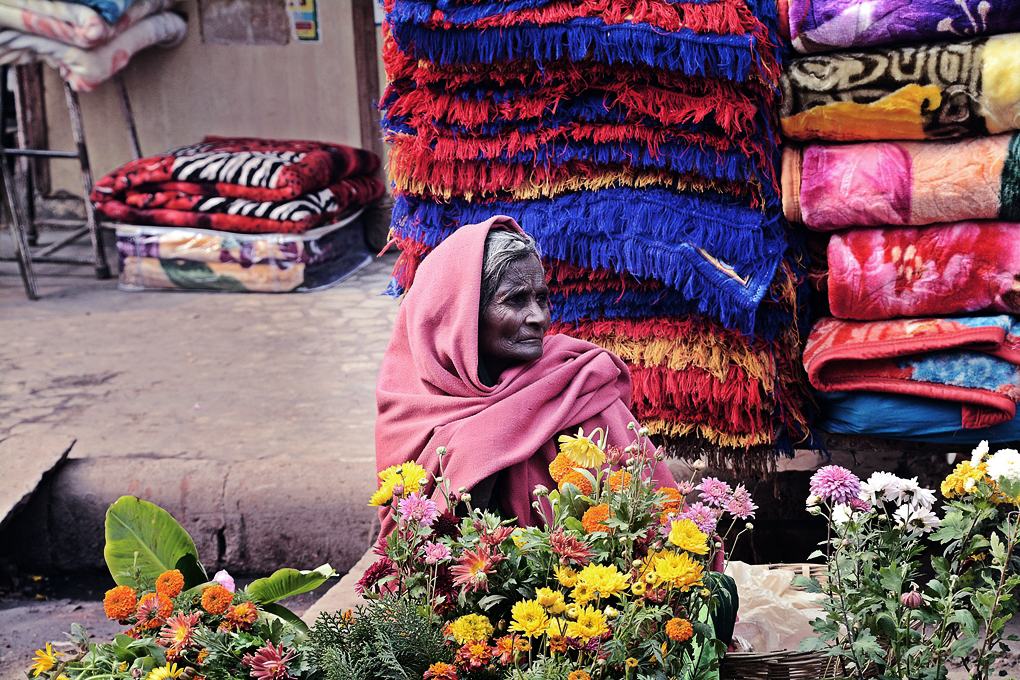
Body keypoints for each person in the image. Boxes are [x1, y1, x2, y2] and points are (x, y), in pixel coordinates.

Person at [374, 215, 676, 537]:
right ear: (462, 313)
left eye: (541, 299)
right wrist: (477, 451)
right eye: (516, 300)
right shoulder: (408, 405)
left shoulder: (574, 379)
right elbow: (408, 543)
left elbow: (647, 518)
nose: (538, 318)